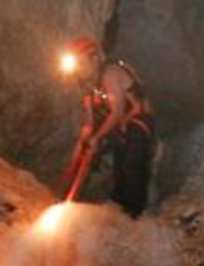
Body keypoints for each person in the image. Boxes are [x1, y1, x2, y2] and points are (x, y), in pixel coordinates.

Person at [61, 36, 156, 217]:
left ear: (94, 58)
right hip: (122, 127)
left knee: (131, 166)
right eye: (77, 66)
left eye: (81, 64)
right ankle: (119, 208)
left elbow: (118, 111)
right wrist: (80, 148)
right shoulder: (88, 85)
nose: (79, 70)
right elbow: (89, 124)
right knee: (119, 169)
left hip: (140, 122)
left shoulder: (110, 73)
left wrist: (97, 138)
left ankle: (135, 213)